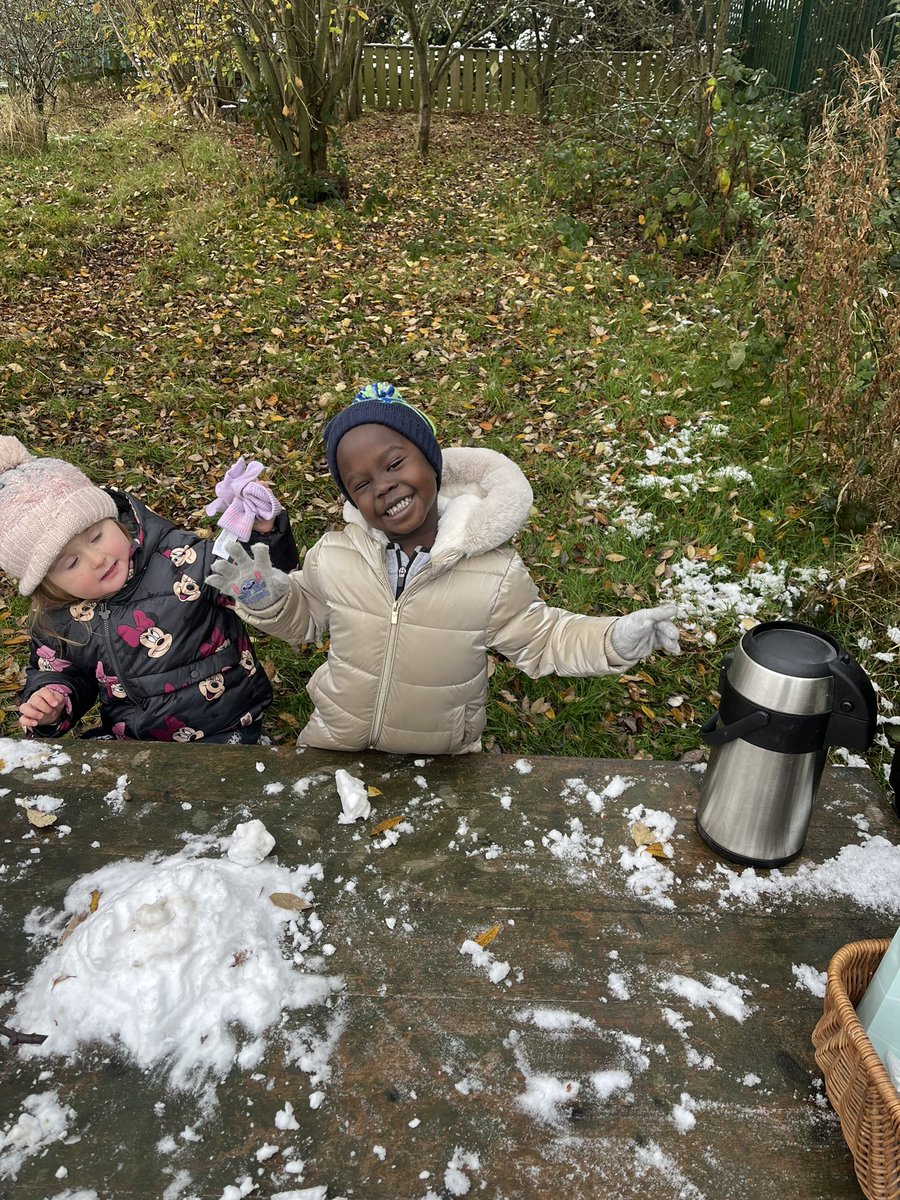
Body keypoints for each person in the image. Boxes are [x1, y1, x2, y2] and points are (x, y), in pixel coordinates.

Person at [207, 382, 681, 755]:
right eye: (361, 484)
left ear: (432, 461)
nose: (384, 486)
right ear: (352, 500)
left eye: (395, 463)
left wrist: (612, 639)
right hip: (335, 744)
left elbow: (545, 637)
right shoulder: (335, 555)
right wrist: (268, 599)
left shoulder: (493, 573)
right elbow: (305, 619)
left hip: (441, 762)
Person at [0, 437, 298, 744]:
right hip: (132, 739)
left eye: (96, 536)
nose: (97, 559)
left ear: (114, 519)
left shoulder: (183, 560)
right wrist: (53, 700)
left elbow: (258, 582)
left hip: (224, 725)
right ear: (48, 583)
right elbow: (64, 674)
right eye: (72, 562)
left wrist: (263, 535)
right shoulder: (58, 618)